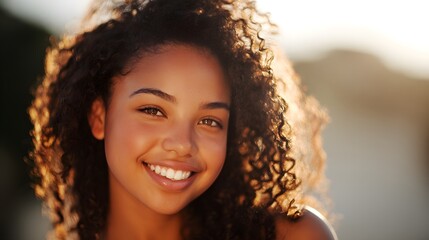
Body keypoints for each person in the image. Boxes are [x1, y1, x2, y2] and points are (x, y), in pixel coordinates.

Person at [29, 0, 337, 239]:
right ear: (99, 117)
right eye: (153, 110)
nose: (182, 144)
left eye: (209, 121)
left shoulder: (292, 236)